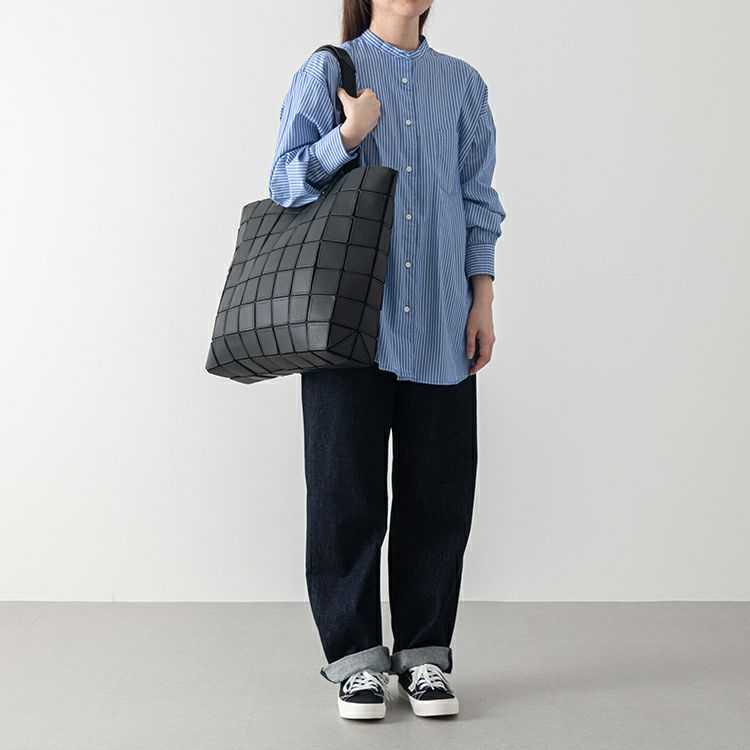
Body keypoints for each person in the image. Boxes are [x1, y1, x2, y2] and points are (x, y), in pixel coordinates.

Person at [268, 0, 505, 720]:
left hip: (439, 318)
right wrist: (348, 135)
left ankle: (425, 654)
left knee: (439, 492)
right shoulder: (327, 72)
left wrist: (482, 298)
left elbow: (477, 200)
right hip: (347, 325)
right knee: (344, 492)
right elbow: (283, 183)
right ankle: (355, 662)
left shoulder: (463, 85)